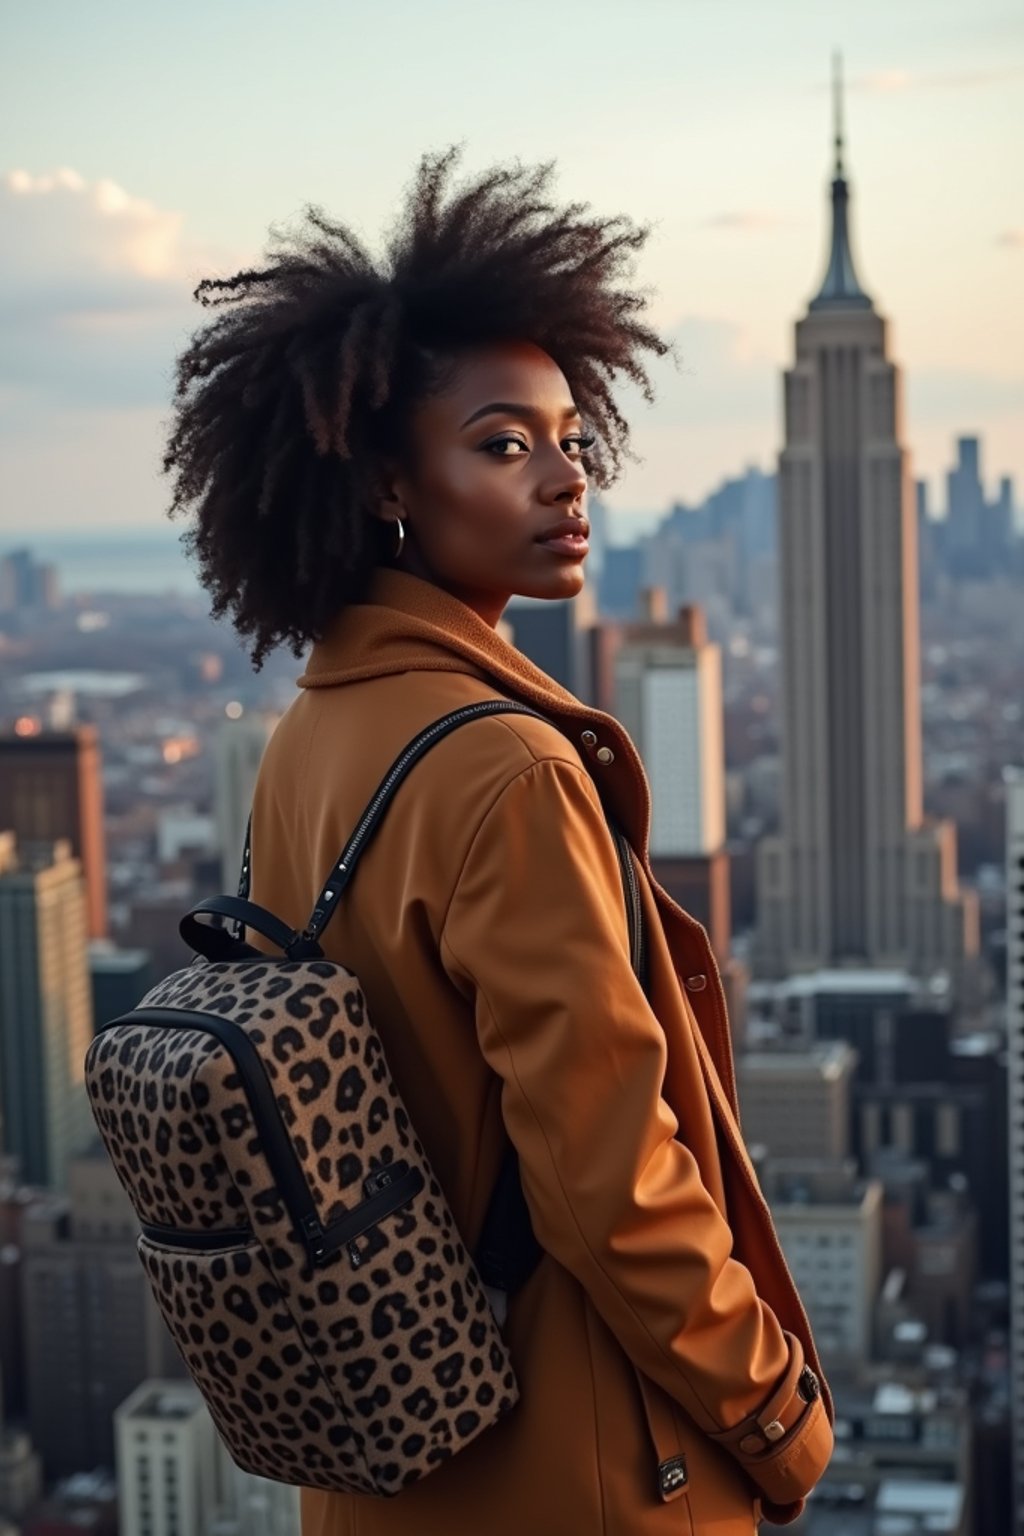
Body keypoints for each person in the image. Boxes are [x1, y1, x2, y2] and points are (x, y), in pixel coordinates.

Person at [164, 150, 833, 1535]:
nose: (564, 478)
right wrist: (774, 1409)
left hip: (385, 1474)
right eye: (501, 443)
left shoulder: (313, 733)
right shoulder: (514, 770)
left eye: (570, 438)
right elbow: (610, 1180)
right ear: (388, 482)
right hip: (579, 1472)